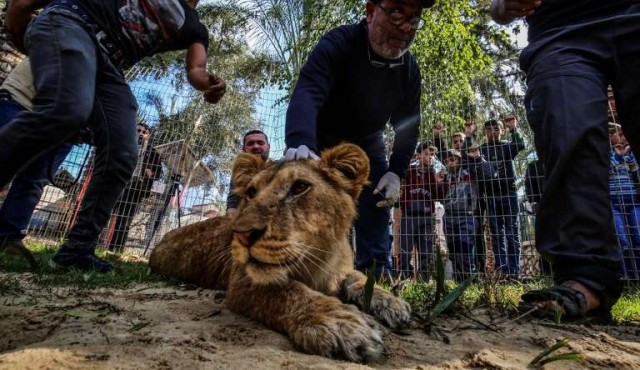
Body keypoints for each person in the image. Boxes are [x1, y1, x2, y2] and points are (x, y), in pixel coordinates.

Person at [1, 0, 226, 272]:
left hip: (108, 67)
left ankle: (77, 249)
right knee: (68, 108)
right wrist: (22, 8)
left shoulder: (194, 27)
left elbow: (195, 69)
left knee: (123, 151)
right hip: (73, 23)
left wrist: (208, 84)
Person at [491, 0, 637, 320]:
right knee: (566, 127)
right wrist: (505, 5)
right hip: (560, 32)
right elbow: (497, 10)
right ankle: (586, 276)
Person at [284, 0, 435, 275]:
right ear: (370, 12)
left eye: (414, 18)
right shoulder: (339, 42)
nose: (405, 27)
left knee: (377, 200)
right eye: (397, 12)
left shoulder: (409, 71)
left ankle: (376, 275)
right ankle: (298, 270)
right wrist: (300, 142)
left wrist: (396, 172)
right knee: (305, 201)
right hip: (321, 135)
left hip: (367, 142)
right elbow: (308, 90)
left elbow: (408, 127)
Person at [0, 58, 73, 268]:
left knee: (34, 179)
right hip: (21, 100)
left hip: (65, 121)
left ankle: (9, 236)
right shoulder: (71, 27)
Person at [478, 117, 525, 277]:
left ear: (501, 130)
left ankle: (514, 271)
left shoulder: (507, 146)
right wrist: (469, 137)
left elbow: (520, 145)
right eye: (489, 130)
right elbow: (467, 156)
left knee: (512, 232)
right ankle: (501, 271)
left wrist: (514, 129)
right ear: (485, 133)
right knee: (497, 234)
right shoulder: (482, 149)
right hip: (491, 196)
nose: (493, 132)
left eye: (496, 129)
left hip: (509, 194)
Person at [107, 122, 162, 253]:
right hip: (118, 184)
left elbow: (159, 173)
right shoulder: (124, 144)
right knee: (105, 213)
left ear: (148, 136)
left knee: (124, 221)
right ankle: (90, 243)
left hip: (136, 189)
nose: (141, 134)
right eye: (138, 130)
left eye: (144, 132)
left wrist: (151, 173)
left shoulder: (152, 152)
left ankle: (115, 250)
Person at [397, 144, 443, 280]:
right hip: (409, 216)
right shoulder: (409, 171)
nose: (430, 157)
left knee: (427, 252)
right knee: (405, 251)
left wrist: (438, 178)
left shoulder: (433, 173)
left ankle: (425, 281)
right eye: (427, 154)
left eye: (433, 155)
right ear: (419, 155)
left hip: (427, 218)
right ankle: (404, 278)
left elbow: (439, 195)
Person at [609, 125, 640, 279]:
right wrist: (618, 156)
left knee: (638, 237)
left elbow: (638, 178)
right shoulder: (607, 155)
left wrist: (631, 160)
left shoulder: (633, 155)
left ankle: (638, 276)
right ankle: (627, 278)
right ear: (611, 138)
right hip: (613, 203)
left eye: (625, 135)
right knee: (622, 241)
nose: (623, 138)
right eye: (619, 134)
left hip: (634, 202)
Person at [226, 129, 270, 216]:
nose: (256, 146)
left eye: (260, 143)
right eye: (250, 144)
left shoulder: (279, 167)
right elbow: (233, 202)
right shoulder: (241, 171)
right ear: (244, 149)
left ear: (268, 146)